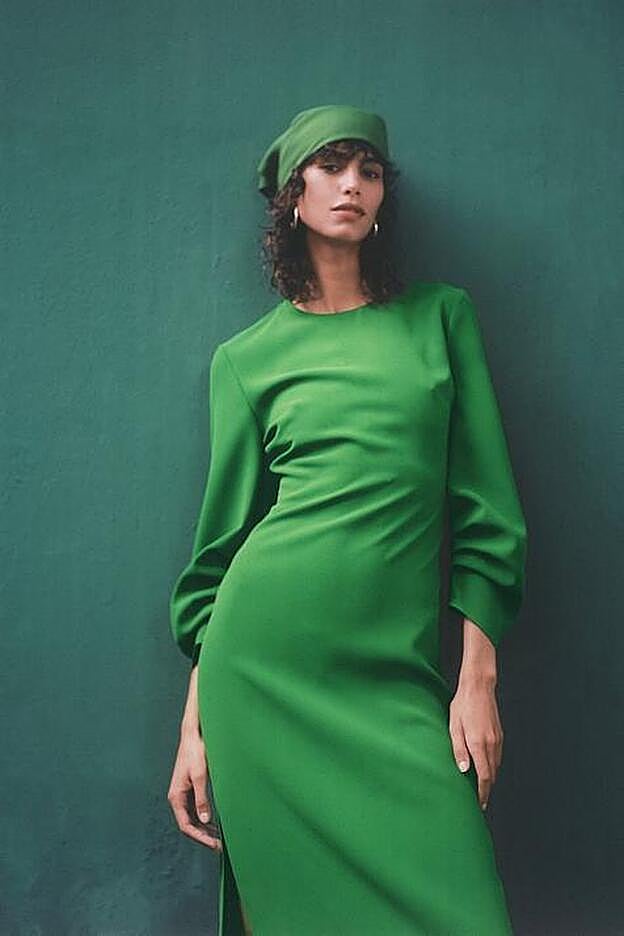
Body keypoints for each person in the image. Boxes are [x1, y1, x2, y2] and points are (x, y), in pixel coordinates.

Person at [166, 104, 528, 936]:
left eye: (368, 170)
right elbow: (217, 558)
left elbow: (487, 509)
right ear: (292, 197)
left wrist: (478, 678)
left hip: (395, 679)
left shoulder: (441, 317)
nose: (352, 185)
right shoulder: (247, 359)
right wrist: (195, 726)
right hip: (262, 675)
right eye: (330, 167)